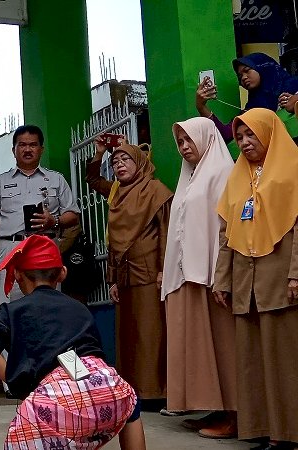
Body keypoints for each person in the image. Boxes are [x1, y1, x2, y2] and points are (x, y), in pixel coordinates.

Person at [0, 235, 145, 450]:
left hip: (55, 401)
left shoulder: (12, 311)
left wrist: (17, 383)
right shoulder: (79, 308)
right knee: (130, 403)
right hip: (103, 389)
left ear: (17, 274)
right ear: (62, 273)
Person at [214, 108, 298, 448]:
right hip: (245, 285)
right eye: (239, 137)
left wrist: (296, 275)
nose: (245, 142)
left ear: (269, 132)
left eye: (251, 134)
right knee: (252, 362)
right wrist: (222, 280)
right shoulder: (238, 178)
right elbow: (227, 234)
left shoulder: (292, 169)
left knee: (285, 360)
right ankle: (265, 431)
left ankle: (289, 433)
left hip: (280, 281)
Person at [162, 117, 237, 438]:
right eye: (179, 142)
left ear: (206, 138)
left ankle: (236, 414)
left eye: (188, 140)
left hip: (212, 275)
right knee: (203, 349)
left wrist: (221, 275)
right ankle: (216, 409)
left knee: (224, 345)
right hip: (189, 275)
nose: (183, 147)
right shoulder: (189, 177)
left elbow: (225, 227)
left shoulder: (222, 173)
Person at [94, 143, 172, 404]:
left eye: (125, 159)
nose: (119, 165)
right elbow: (114, 243)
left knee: (151, 333)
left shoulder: (155, 190)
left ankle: (156, 391)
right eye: (115, 162)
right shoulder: (118, 195)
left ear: (139, 162)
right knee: (129, 335)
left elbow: (166, 233)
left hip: (150, 274)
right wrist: (112, 279)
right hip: (125, 274)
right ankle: (133, 391)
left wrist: (163, 270)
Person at [0, 125, 80, 303]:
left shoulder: (56, 179)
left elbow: (73, 215)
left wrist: (54, 221)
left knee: (48, 304)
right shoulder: (0, 182)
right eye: (22, 145)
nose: (27, 149)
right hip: (11, 248)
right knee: (10, 303)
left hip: (45, 246)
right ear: (14, 150)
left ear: (41, 149)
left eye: (33, 145)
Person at [196, 52, 298, 142]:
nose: (244, 77)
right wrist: (201, 106)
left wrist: (295, 99)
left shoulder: (293, 84)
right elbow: (226, 134)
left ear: (263, 68)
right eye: (240, 76)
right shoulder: (253, 107)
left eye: (247, 70)